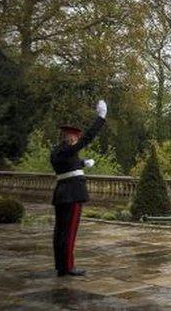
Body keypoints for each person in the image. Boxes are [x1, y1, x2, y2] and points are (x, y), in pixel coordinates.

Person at [50, 100, 107, 277]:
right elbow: (88, 137)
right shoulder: (68, 149)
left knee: (60, 232)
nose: (75, 140)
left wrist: (83, 163)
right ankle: (68, 266)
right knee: (69, 232)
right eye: (74, 138)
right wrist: (101, 117)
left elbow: (68, 165)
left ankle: (61, 265)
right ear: (70, 138)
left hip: (62, 193)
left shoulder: (57, 151)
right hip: (72, 194)